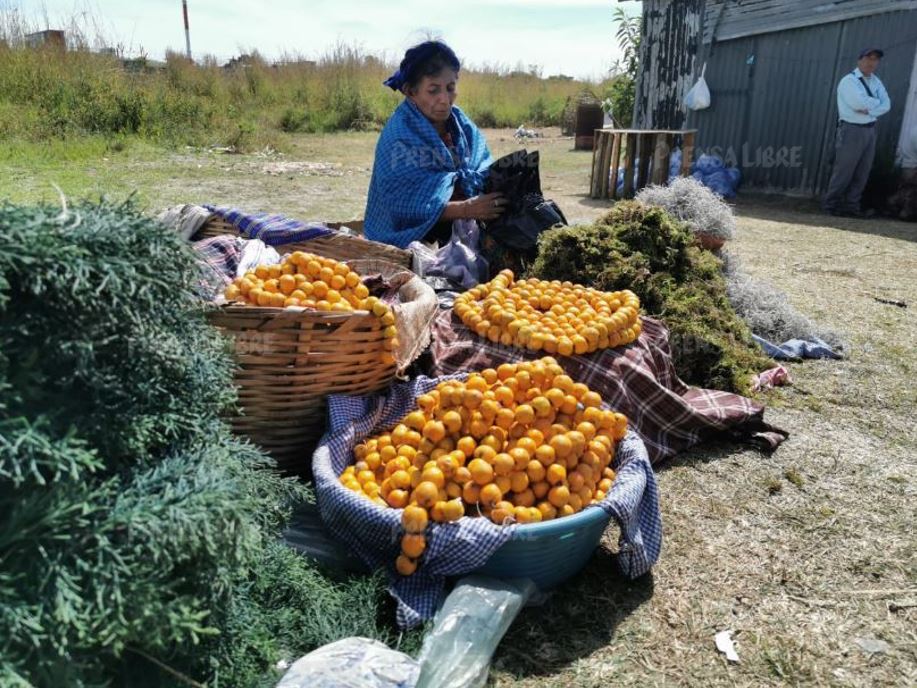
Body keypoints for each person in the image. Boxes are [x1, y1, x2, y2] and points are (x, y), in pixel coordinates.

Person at [364, 40, 506, 249]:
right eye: (433, 90)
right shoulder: (399, 136)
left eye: (450, 88)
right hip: (412, 238)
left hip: (467, 228)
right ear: (411, 91)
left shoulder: (461, 125)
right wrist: (465, 209)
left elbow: (483, 166)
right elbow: (403, 205)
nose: (444, 99)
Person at [823, 48, 891, 217]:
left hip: (869, 130)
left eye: (875, 59)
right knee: (844, 171)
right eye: (868, 58)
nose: (871, 62)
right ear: (859, 60)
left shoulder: (876, 81)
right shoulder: (849, 81)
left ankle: (851, 207)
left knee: (862, 171)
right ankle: (831, 205)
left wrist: (870, 109)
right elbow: (857, 104)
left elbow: (887, 104)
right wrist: (875, 104)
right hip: (851, 129)